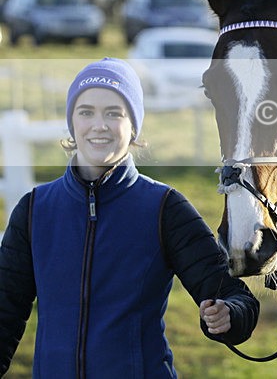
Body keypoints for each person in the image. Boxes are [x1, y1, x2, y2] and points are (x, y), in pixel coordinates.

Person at [0, 58, 259, 378]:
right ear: (72, 122)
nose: (99, 125)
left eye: (114, 113)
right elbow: (4, 314)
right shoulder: (35, 210)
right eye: (86, 112)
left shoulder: (165, 208)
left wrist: (229, 315)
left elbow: (236, 297)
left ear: (133, 125)